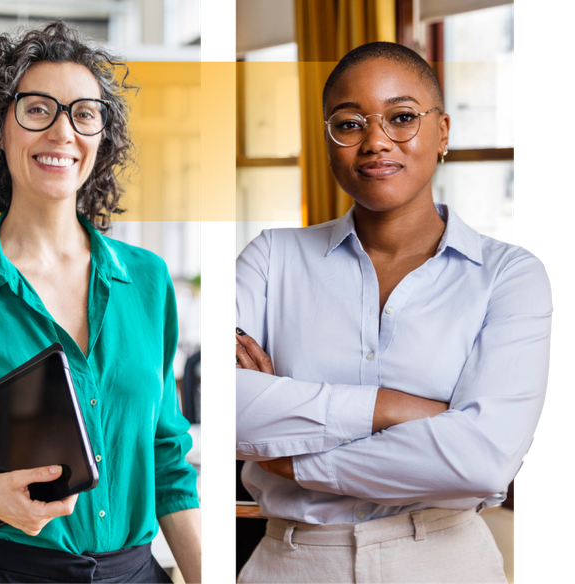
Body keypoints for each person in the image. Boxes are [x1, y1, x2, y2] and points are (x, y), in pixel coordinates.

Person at [233, 41, 550, 583]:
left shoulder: (509, 275)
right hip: (292, 563)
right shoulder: (271, 259)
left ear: (443, 131)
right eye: (349, 123)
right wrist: (397, 409)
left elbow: (481, 460)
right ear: (329, 139)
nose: (376, 141)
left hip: (444, 562)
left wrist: (295, 459)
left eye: (402, 117)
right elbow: (228, 411)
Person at [0, 22, 204, 584]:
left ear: (101, 138)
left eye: (83, 114)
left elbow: (167, 457)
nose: (62, 132)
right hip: (3, 572)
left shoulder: (147, 281)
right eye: (37, 109)